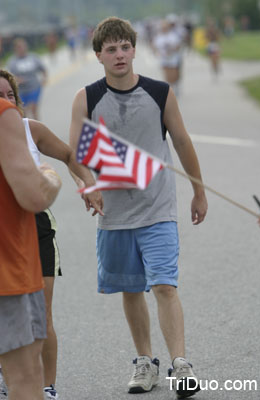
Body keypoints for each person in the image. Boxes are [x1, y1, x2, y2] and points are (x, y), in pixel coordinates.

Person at [69, 16, 208, 399]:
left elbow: (180, 141)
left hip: (158, 207)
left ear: (134, 49)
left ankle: (181, 364)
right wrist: (88, 185)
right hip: (114, 214)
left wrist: (199, 191)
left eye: (125, 47)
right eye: (110, 49)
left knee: (164, 284)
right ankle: (144, 362)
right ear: (98, 55)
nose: (119, 54)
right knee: (131, 290)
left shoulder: (160, 92)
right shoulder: (87, 98)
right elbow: (75, 155)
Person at [0, 69, 104, 400]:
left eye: (10, 95)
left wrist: (87, 182)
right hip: (9, 230)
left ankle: (47, 386)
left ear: (19, 100)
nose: (5, 101)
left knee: (41, 317)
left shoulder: (30, 130)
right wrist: (50, 178)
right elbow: (38, 187)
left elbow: (70, 156)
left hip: (37, 228)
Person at [0, 97, 61, 400]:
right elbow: (34, 197)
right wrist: (50, 178)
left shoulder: (25, 125)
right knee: (26, 378)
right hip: (8, 264)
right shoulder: (2, 116)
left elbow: (69, 151)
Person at [7, 37, 47, 120]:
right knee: (23, 112)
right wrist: (17, 79)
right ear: (15, 49)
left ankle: (38, 128)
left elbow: (43, 69)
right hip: (21, 90)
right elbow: (10, 76)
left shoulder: (33, 57)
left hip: (34, 87)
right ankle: (27, 128)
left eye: (23, 46)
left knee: (33, 108)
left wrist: (44, 79)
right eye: (19, 47)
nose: (21, 48)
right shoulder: (12, 61)